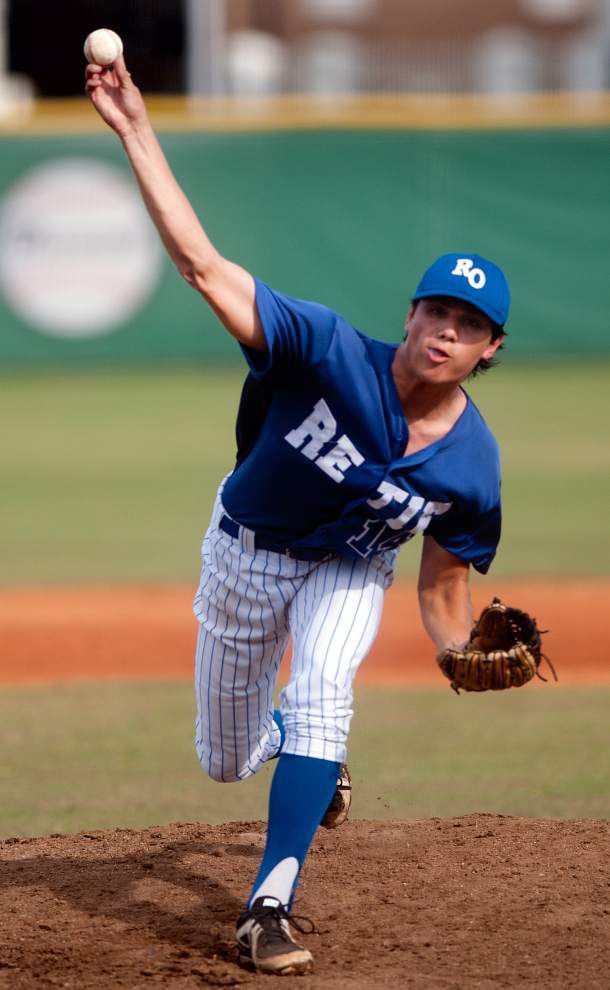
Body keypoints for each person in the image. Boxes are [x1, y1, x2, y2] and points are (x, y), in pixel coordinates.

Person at [86, 55, 508, 977]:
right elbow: (201, 266)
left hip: (351, 569)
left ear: (490, 349)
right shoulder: (322, 349)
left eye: (469, 323)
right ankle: (299, 755)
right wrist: (135, 131)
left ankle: (266, 904)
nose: (447, 329)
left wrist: (456, 649)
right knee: (227, 761)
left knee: (324, 694)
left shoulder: (474, 467)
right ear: (410, 312)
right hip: (246, 553)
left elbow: (444, 585)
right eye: (437, 308)